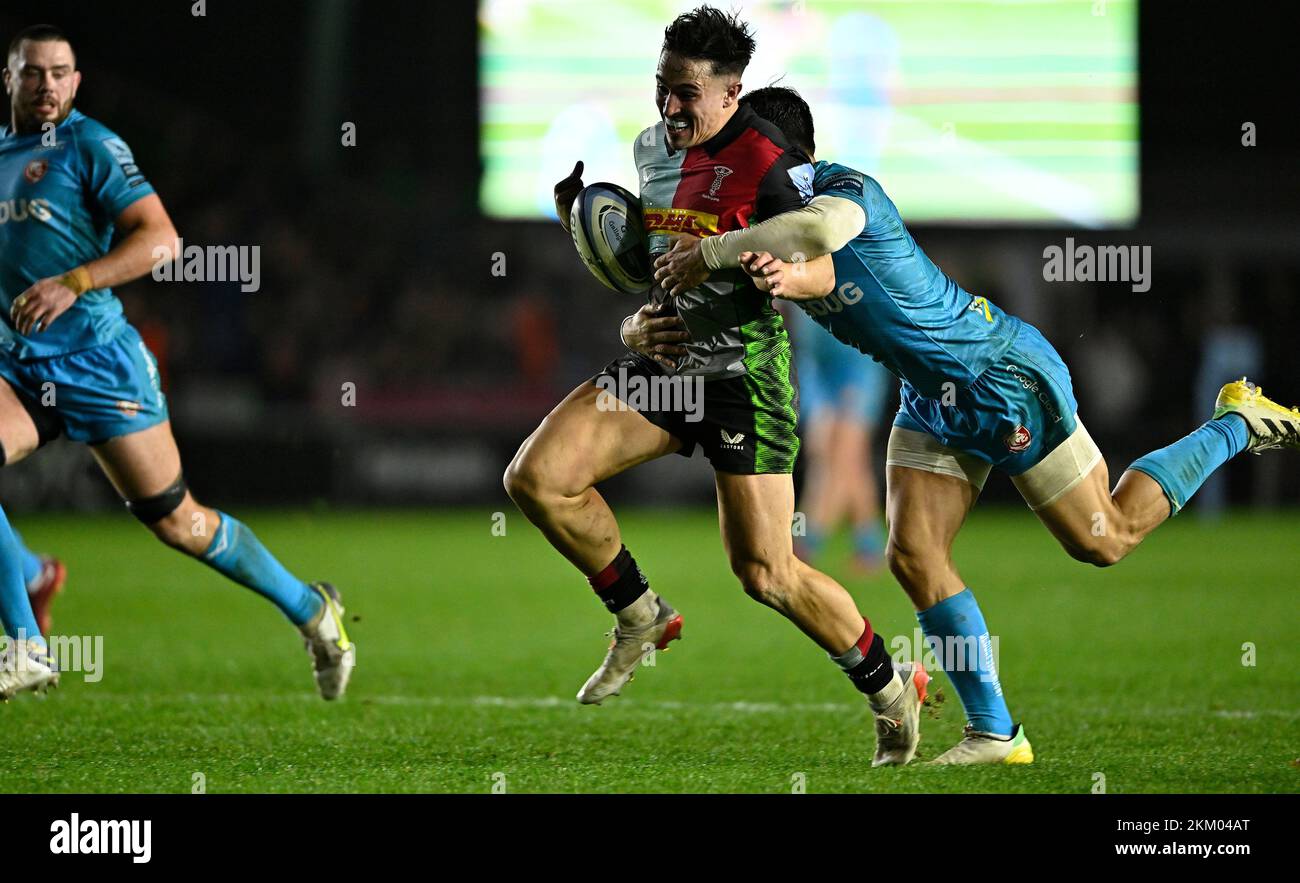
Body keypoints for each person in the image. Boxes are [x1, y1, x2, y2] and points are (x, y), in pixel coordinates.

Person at [650, 86, 1300, 764]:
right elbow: (799, 273)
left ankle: (1234, 422)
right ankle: (995, 732)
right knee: (913, 554)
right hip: (931, 397)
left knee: (1103, 538)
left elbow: (818, 242)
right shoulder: (761, 219)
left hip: (999, 376)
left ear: (772, 149)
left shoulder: (842, 188)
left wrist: (728, 254)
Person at [506, 8, 928, 767]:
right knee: (537, 477)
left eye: (687, 93)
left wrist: (783, 274)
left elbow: (823, 261)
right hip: (668, 371)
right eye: (662, 88)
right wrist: (636, 328)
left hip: (743, 384)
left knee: (766, 574)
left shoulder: (771, 163)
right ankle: (639, 613)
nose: (669, 108)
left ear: (731, 92)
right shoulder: (648, 150)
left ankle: (889, 684)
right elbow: (649, 269)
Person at [0, 24, 354, 699]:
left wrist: (73, 282)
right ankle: (27, 645)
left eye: (59, 73)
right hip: (18, 365)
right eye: (32, 72)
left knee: (179, 521)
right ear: (9, 79)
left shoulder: (92, 146)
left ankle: (311, 609)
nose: (46, 85)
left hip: (99, 364)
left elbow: (162, 241)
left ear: (76, 82)